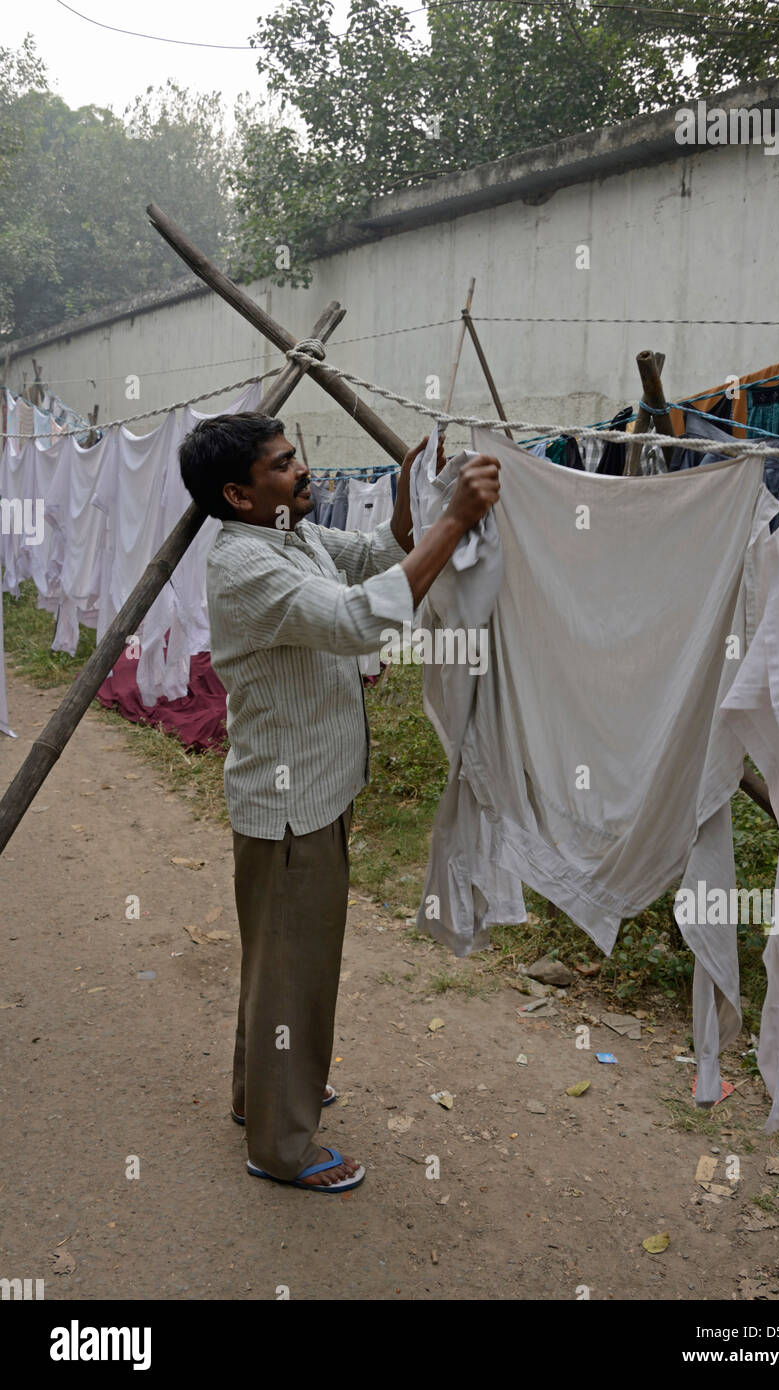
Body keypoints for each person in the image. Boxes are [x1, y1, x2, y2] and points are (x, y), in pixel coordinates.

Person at [178, 412, 500, 1192]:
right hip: (292, 808)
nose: (304, 471)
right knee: (297, 971)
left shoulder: (292, 534)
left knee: (277, 963)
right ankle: (280, 1148)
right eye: (285, 464)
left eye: (299, 457)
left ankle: (260, 1096)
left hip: (311, 793)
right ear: (237, 493)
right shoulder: (246, 565)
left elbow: (372, 560)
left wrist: (407, 504)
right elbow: (361, 621)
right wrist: (455, 518)